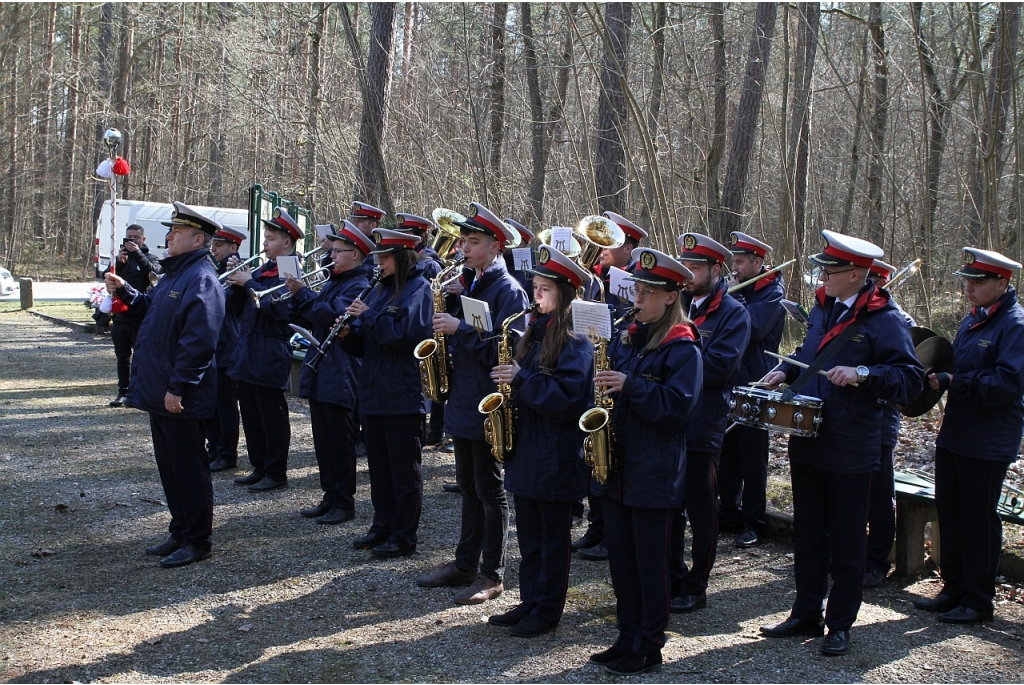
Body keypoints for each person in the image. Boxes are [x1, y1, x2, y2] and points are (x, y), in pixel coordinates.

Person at [760, 230, 922, 656]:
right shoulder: (824, 309)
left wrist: (864, 374)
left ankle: (840, 624)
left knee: (849, 538)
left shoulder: (884, 319)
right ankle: (805, 612)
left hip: (853, 443)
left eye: (831, 271)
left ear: (856, 273)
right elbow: (813, 353)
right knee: (809, 532)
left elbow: (910, 379)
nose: (823, 277)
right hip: (810, 437)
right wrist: (788, 372)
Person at [588, 248, 702, 676]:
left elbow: (678, 410)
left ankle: (649, 643)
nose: (636, 298)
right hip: (618, 467)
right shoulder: (630, 336)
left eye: (646, 292)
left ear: (671, 296)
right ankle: (625, 635)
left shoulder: (683, 348)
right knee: (622, 561)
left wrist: (630, 386)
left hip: (654, 472)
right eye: (635, 290)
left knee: (650, 565)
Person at [415, 201, 529, 605]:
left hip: (489, 401)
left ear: (496, 246)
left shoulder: (509, 290)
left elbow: (509, 348)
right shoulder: (473, 282)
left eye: (473, 241)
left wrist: (459, 326)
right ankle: (465, 562)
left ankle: (492, 574)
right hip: (465, 397)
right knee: (467, 485)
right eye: (463, 240)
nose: (463, 247)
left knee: (490, 489)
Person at [103, 202, 225, 568]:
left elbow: (198, 342)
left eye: (177, 232)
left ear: (197, 239)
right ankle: (180, 530)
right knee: (170, 468)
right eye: (171, 230)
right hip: (162, 391)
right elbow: (150, 311)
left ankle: (198, 539)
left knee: (189, 468)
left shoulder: (202, 279)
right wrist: (125, 291)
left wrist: (179, 387)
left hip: (180, 395)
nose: (169, 236)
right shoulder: (174, 275)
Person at [486, 244, 594, 638]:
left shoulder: (576, 339)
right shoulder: (535, 330)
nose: (536, 295)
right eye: (536, 287)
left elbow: (566, 401)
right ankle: (529, 600)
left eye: (544, 289)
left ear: (564, 293)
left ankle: (548, 610)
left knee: (552, 540)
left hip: (556, 455)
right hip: (529, 450)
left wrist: (521, 378)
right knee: (529, 538)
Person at [914, 247, 1024, 624]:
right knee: (952, 512)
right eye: (967, 281)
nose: (969, 289)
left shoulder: (1015, 326)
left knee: (978, 518)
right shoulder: (972, 320)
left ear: (1002, 283)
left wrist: (956, 381)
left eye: (978, 282)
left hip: (990, 439)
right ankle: (953, 588)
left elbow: (1008, 384)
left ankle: (978, 599)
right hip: (957, 434)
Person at [671, 233, 751, 614]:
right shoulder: (677, 302)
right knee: (669, 504)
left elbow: (720, 367)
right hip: (669, 417)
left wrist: (677, 356)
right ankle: (671, 575)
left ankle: (697, 584)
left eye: (696, 268)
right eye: (685, 266)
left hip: (704, 420)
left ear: (717, 271)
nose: (688, 274)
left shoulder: (734, 313)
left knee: (702, 508)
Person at [344, 228, 432, 557]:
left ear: (401, 258)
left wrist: (369, 316)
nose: (379, 263)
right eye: (378, 258)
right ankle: (382, 525)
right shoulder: (379, 290)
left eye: (384, 257)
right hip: (374, 390)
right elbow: (367, 344)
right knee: (379, 468)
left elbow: (405, 336)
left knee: (403, 470)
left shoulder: (418, 289)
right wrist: (347, 335)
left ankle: (404, 535)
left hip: (402, 392)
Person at [288, 221, 374, 524]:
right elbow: (314, 315)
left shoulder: (359, 283)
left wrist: (302, 294)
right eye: (333, 250)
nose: (332, 256)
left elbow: (334, 317)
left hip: (341, 367)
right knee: (323, 439)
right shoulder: (335, 279)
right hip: (322, 365)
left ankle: (344, 501)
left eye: (338, 251)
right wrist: (297, 298)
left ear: (355, 254)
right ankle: (330, 495)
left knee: (339, 440)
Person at [575, 211, 649, 562]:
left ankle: (608, 529)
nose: (600, 249)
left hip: (618, 365)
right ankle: (596, 523)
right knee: (592, 449)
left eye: (609, 244)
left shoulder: (634, 281)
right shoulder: (595, 276)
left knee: (608, 450)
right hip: (594, 362)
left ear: (628, 248)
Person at [225, 207, 303, 492]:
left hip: (270, 350)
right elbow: (235, 308)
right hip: (248, 350)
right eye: (266, 238)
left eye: (271, 239)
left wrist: (249, 283)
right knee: (251, 415)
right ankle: (259, 466)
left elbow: (281, 310)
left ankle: (276, 471)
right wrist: (236, 284)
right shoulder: (261, 269)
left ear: (287, 242)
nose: (265, 244)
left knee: (271, 417)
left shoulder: (289, 269)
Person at [718, 232, 785, 548]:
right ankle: (728, 512)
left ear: (759, 262)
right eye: (734, 261)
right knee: (727, 452)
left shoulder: (772, 291)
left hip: (757, 382)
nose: (736, 267)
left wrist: (734, 297)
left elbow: (753, 327)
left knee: (752, 457)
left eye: (741, 262)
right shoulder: (737, 290)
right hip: (731, 379)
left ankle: (754, 522)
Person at [864, 258, 913, 587]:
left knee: (880, 496)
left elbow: (905, 376)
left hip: (880, 421)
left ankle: (877, 560)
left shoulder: (898, 320)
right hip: (851, 422)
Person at [106, 223, 162, 407]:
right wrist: (118, 265)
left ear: (143, 239)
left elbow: (154, 274)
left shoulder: (149, 257)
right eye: (129, 238)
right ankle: (123, 391)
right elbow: (108, 277)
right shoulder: (122, 259)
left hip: (141, 316)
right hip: (121, 317)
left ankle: (140, 391)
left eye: (135, 238)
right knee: (122, 357)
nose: (132, 241)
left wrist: (137, 254)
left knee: (141, 356)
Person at [206, 224, 247, 472]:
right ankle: (214, 447)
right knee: (211, 401)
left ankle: (227, 453)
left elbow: (229, 305)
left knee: (225, 403)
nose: (214, 249)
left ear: (233, 247)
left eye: (219, 245)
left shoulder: (237, 271)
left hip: (228, 344)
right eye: (213, 245)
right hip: (213, 344)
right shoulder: (215, 268)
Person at [349, 201, 387, 276]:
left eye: (359, 221)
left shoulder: (378, 247)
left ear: (373, 225)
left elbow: (368, 273)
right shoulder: (353, 242)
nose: (355, 225)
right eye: (355, 221)